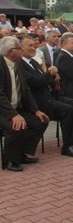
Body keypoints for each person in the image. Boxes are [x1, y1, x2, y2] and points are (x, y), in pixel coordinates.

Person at [18, 35, 73, 158]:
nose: (34, 47)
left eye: (34, 45)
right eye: (30, 45)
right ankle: (67, 146)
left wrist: (54, 77)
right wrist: (50, 73)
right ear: (21, 48)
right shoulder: (20, 64)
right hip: (39, 101)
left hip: (51, 96)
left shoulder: (32, 62)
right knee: (67, 109)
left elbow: (43, 78)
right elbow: (34, 82)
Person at [0, 36, 49, 171]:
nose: (21, 50)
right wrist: (13, 115)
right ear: (10, 52)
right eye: (19, 48)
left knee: (40, 122)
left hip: (16, 108)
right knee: (16, 126)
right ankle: (9, 161)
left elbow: (25, 90)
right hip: (3, 110)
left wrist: (36, 110)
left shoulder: (17, 64)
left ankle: (20, 153)